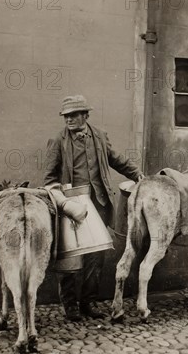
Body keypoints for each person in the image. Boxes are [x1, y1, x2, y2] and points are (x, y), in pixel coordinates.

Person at [44, 95, 144, 321]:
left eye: (73, 115)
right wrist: (64, 202)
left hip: (98, 204)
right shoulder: (57, 140)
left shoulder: (99, 136)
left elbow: (116, 160)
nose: (68, 120)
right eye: (66, 116)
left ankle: (88, 303)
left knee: (96, 257)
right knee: (69, 256)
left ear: (85, 116)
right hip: (70, 207)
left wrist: (138, 175)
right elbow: (49, 179)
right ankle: (70, 306)